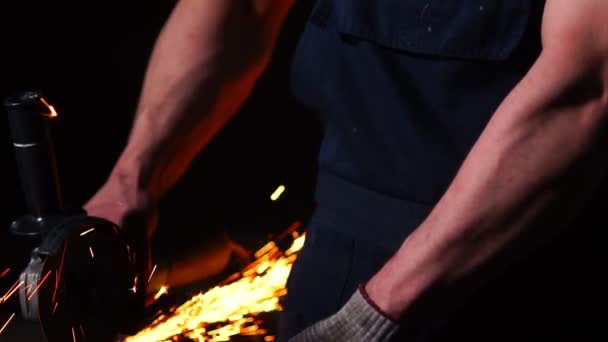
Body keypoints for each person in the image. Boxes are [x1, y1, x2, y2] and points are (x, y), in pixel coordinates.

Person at [84, 0, 608, 340]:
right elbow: (244, 8)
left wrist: (374, 317)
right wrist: (130, 183)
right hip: (340, 245)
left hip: (515, 257)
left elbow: (584, 86)